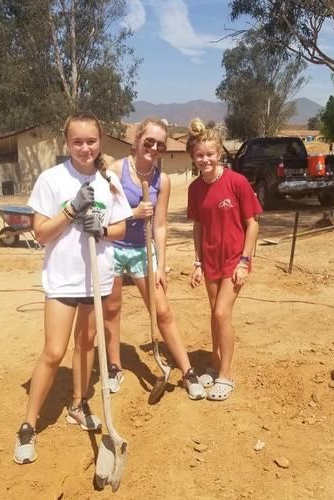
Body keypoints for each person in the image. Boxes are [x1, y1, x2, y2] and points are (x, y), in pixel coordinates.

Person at [13, 112, 132, 464]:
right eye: (77, 141)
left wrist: (102, 230)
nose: (85, 148)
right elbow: (40, 233)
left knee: (86, 344)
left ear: (100, 141)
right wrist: (70, 210)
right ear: (67, 143)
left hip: (97, 277)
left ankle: (78, 405)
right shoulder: (51, 179)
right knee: (54, 351)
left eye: (91, 141)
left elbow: (121, 228)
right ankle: (28, 425)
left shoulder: (109, 180)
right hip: (63, 278)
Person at [103, 117, 206, 400]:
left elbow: (159, 225)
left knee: (162, 311)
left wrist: (160, 264)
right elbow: (104, 216)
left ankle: (187, 371)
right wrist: (132, 214)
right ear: (137, 139)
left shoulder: (162, 180)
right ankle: (114, 367)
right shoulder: (115, 171)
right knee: (112, 309)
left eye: (160, 145)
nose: (154, 148)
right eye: (149, 141)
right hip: (112, 248)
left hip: (141, 251)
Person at [186, 118, 262, 401]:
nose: (205, 159)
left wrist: (245, 261)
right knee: (214, 314)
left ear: (219, 153)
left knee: (221, 313)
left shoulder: (236, 182)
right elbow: (198, 226)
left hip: (234, 260)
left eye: (210, 154)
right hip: (210, 261)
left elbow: (252, 224)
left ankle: (226, 376)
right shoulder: (195, 189)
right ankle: (215, 363)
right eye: (200, 155)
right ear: (193, 157)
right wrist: (197, 263)